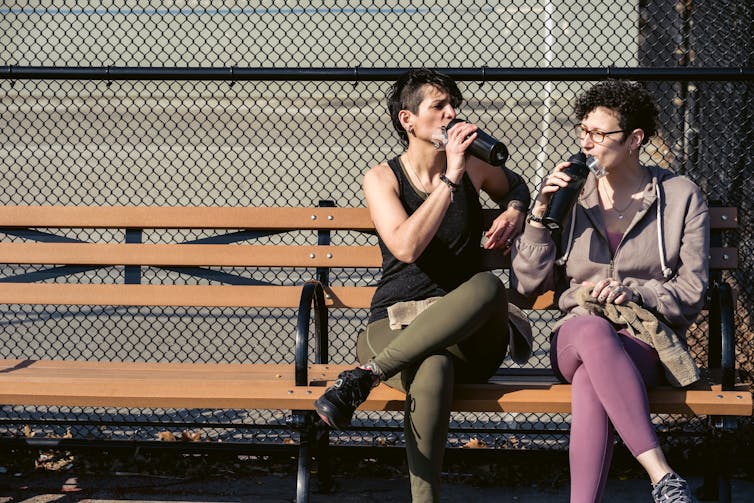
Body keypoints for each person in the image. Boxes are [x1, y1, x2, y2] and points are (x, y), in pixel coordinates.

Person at [313, 68, 534, 502]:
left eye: (454, 105)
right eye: (439, 106)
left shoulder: (474, 167)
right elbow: (407, 247)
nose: (453, 114)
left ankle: (365, 376)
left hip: (468, 335)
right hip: (394, 325)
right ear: (407, 120)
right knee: (433, 366)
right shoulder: (383, 178)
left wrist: (513, 210)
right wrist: (449, 179)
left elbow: (518, 186)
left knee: (488, 287)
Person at [512, 79, 708, 503]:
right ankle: (662, 476)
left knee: (589, 381)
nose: (587, 143)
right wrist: (540, 216)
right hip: (575, 333)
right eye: (583, 131)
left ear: (635, 139)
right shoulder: (571, 196)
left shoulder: (680, 197)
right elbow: (527, 286)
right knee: (592, 332)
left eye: (599, 134)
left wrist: (637, 293)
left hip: (644, 339)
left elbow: (691, 292)